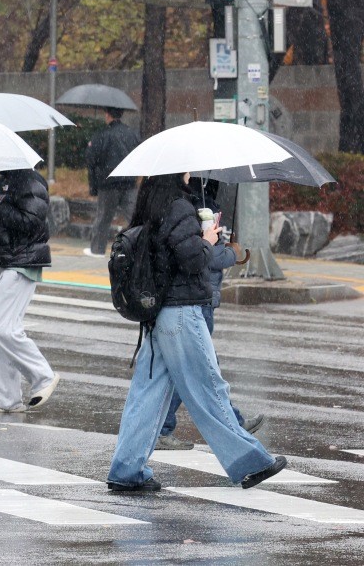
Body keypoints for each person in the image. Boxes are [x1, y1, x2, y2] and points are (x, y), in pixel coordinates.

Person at [106, 173, 286, 492]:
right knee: (209, 389)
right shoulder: (179, 207)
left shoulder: (153, 204)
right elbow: (191, 260)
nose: (192, 175)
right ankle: (249, 461)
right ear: (178, 173)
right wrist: (208, 242)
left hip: (159, 310)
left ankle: (127, 469)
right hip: (181, 309)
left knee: (147, 394)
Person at [155, 178, 263, 450]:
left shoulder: (204, 206)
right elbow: (203, 257)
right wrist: (229, 253)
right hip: (196, 299)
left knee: (191, 369)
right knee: (202, 369)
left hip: (202, 297)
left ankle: (166, 428)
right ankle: (232, 424)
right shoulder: (193, 209)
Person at [0, 170, 60, 413]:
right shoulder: (0, 182)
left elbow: (32, 224)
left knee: (3, 328)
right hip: (0, 261)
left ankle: (43, 376)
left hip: (21, 262)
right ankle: (6, 398)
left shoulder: (31, 182)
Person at [84, 107, 140, 258]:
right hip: (129, 182)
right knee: (134, 217)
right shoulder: (132, 134)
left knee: (103, 218)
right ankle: (140, 246)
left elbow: (91, 160)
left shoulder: (102, 135)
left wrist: (94, 187)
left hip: (108, 184)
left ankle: (97, 250)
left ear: (107, 115)